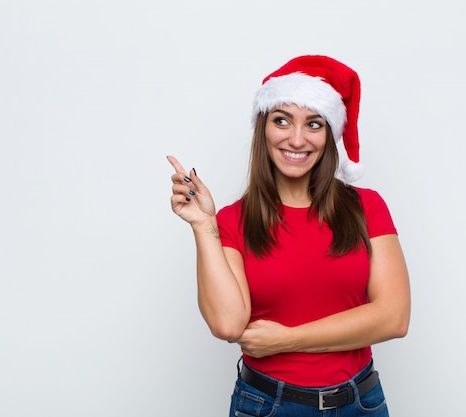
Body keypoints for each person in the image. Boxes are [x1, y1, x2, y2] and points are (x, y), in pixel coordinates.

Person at [166, 55, 410, 417]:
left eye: (313, 124)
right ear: (264, 128)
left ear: (329, 135)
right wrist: (204, 226)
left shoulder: (366, 207)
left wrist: (288, 339)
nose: (297, 139)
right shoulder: (233, 220)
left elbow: (394, 317)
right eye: (282, 121)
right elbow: (229, 324)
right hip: (268, 405)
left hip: (359, 404)